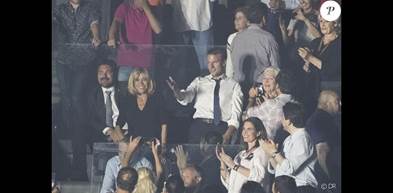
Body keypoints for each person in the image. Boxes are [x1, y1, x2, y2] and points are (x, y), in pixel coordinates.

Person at [53, 0, 101, 181]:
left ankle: (77, 129)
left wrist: (96, 37)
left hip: (84, 58)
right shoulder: (60, 9)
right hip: (64, 59)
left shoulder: (90, 8)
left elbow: (94, 23)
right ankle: (68, 127)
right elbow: (55, 24)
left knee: (76, 95)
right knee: (67, 97)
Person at [167, 47, 243, 144]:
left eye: (215, 62)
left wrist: (227, 135)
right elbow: (185, 98)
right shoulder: (199, 81)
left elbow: (236, 115)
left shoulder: (234, 85)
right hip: (199, 128)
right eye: (208, 62)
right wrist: (176, 91)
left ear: (224, 63)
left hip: (220, 129)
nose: (211, 66)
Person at [261, 102, 318, 193]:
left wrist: (275, 152)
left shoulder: (303, 138)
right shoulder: (288, 139)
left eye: (283, 117)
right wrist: (270, 153)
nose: (281, 120)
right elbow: (281, 168)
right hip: (286, 186)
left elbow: (290, 169)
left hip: (301, 188)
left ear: (289, 120)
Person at [108, 0, 162, 92]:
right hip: (126, 61)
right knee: (124, 94)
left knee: (145, 95)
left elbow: (158, 30)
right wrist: (111, 36)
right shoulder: (125, 6)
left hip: (145, 62)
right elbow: (116, 22)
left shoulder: (152, 8)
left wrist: (146, 8)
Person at [230, 2, 280, 94]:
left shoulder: (236, 38)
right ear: (264, 19)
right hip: (260, 89)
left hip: (237, 88)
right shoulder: (268, 38)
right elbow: (275, 69)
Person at [297, 14, 341, 117]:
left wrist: (310, 57)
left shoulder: (339, 43)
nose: (323, 25)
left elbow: (331, 69)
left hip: (331, 90)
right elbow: (309, 69)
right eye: (321, 21)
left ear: (335, 24)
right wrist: (307, 64)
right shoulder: (315, 42)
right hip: (313, 89)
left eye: (326, 21)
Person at [217, 117, 269, 193]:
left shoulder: (262, 151)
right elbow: (229, 182)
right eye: (243, 129)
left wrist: (233, 165)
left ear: (258, 133)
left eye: (249, 129)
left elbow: (259, 177)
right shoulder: (240, 154)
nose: (244, 132)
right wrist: (222, 161)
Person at [118, 68, 169, 144]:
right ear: (133, 82)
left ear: (149, 81)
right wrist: (124, 142)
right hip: (133, 146)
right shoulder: (127, 101)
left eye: (144, 79)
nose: (141, 83)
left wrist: (163, 146)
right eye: (137, 80)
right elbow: (118, 125)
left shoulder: (157, 99)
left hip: (153, 145)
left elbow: (164, 124)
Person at [168, 0, 215, 74]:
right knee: (180, 65)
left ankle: (208, 84)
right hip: (181, 23)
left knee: (207, 64)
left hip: (202, 22)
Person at [305, 90, 340, 188]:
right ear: (327, 104)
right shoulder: (321, 120)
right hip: (327, 176)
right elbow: (321, 151)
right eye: (336, 102)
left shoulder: (321, 118)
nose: (340, 105)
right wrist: (329, 181)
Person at [88, 59, 126, 143]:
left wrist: (119, 131)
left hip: (123, 133)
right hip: (101, 135)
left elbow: (128, 114)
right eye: (100, 72)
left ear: (114, 74)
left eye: (108, 72)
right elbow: (91, 118)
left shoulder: (124, 92)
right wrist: (109, 131)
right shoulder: (93, 94)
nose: (104, 75)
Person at [226, 7, 250, 78]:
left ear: (248, 21)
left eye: (240, 18)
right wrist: (228, 80)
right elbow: (230, 62)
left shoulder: (253, 37)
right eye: (235, 18)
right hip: (237, 78)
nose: (236, 21)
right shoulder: (231, 38)